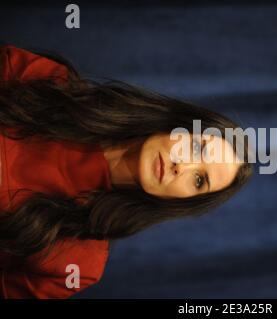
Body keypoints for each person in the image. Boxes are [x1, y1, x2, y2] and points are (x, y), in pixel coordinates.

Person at [0, 45, 253, 298]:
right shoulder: (50, 82)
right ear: (179, 125)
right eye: (197, 147)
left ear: (184, 202)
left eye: (199, 180)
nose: (182, 166)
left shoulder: (78, 264)